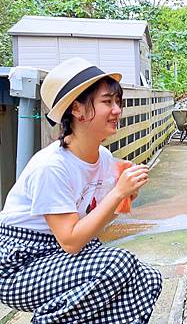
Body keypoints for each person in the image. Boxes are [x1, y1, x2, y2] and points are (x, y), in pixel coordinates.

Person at [0, 58, 162, 323]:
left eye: (118, 102)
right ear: (77, 109)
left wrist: (124, 197)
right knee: (116, 263)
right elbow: (71, 241)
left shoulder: (105, 159)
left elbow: (96, 224)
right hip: (19, 268)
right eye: (107, 102)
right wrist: (118, 193)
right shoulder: (51, 166)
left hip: (56, 257)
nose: (117, 110)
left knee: (146, 278)